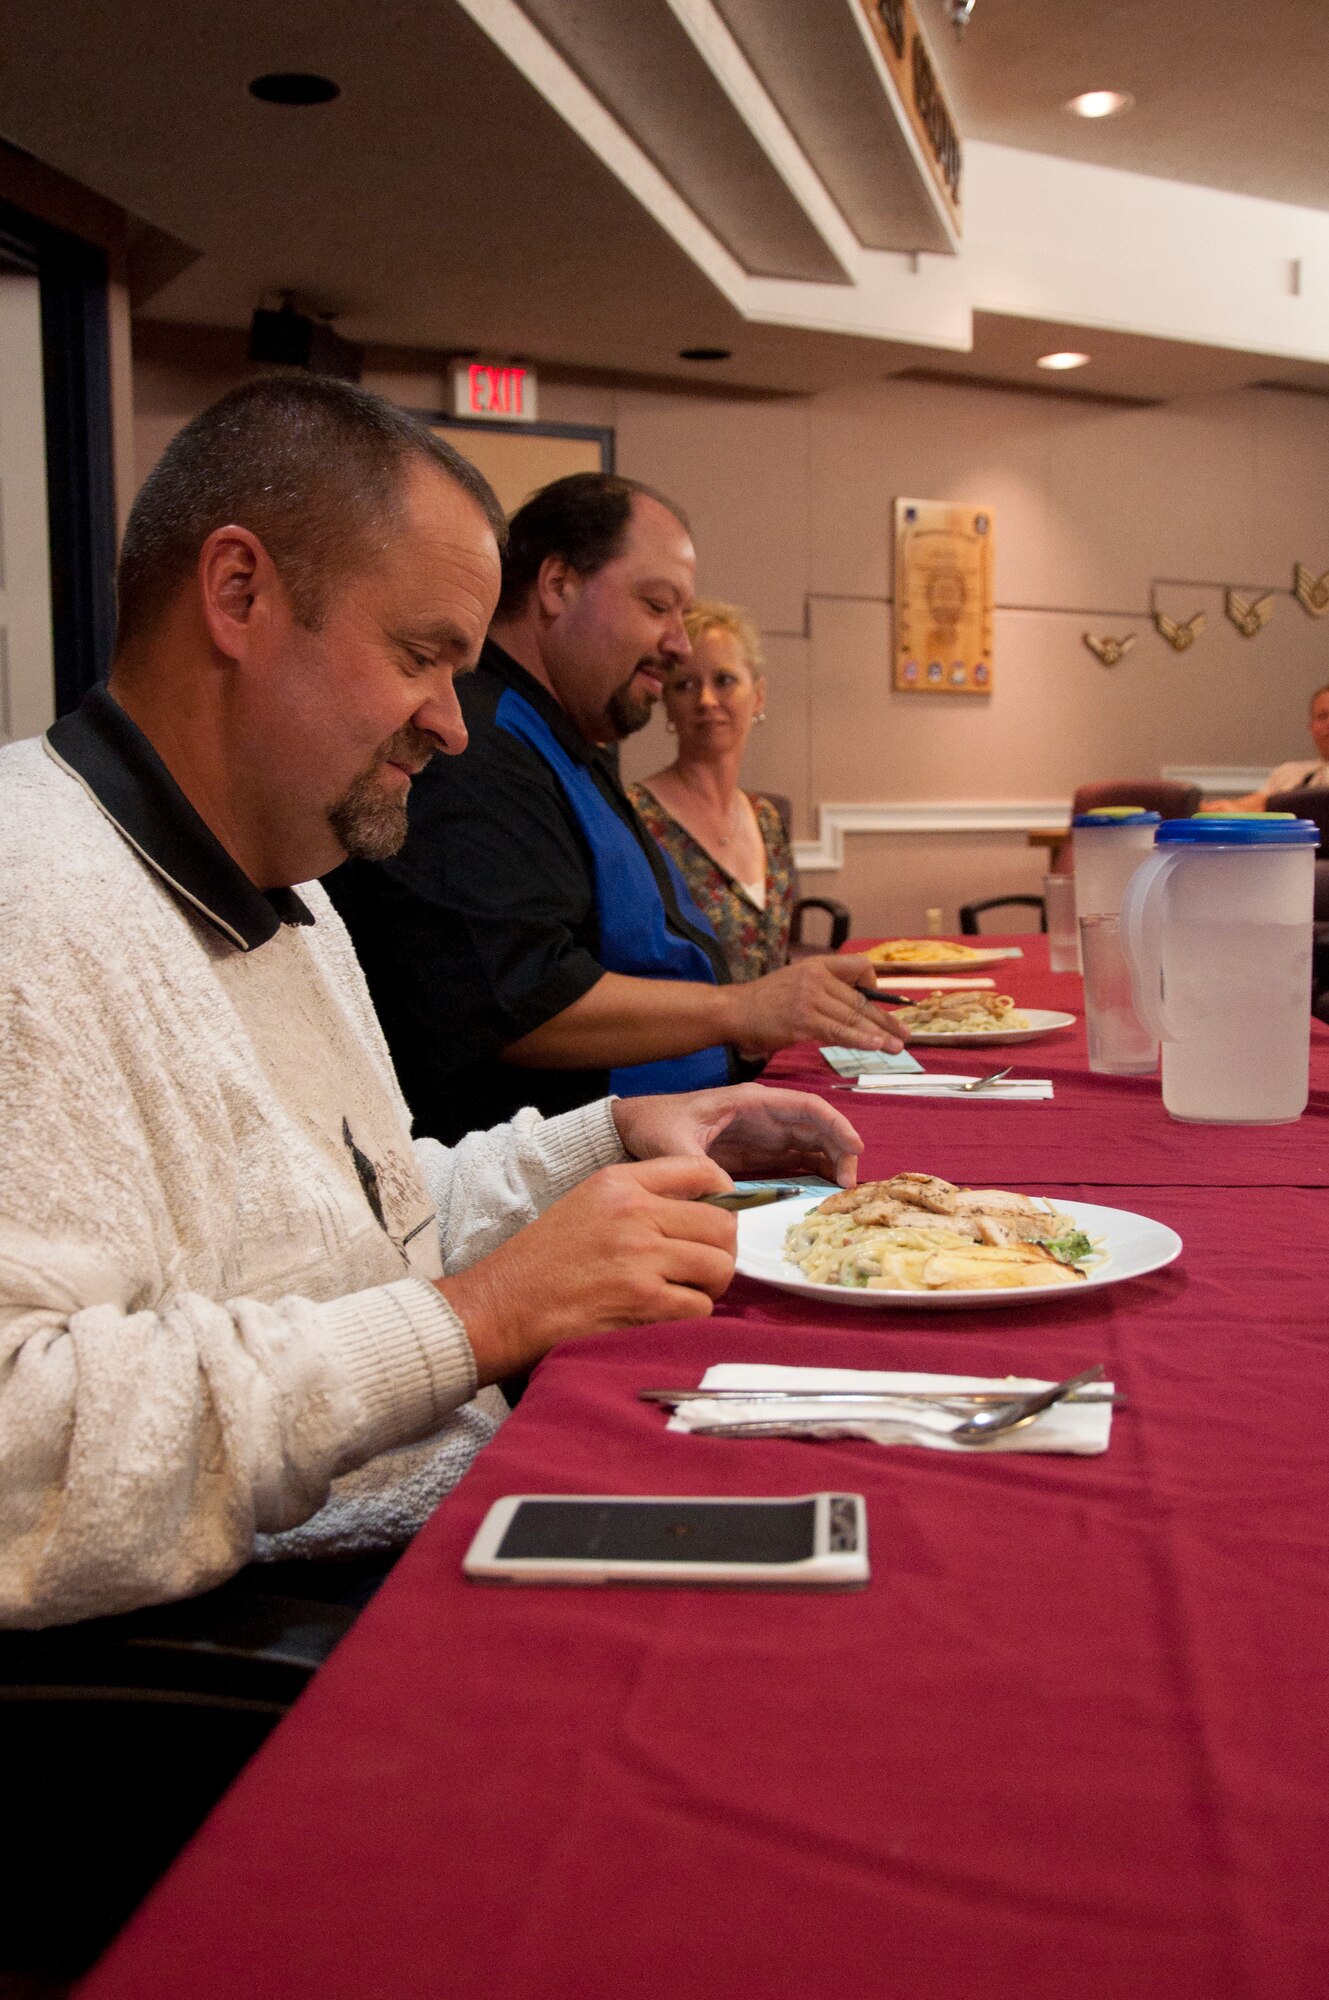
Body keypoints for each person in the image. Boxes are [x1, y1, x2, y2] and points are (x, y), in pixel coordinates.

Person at [0, 379, 865, 1630]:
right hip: (271, 1633)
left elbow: (361, 1228)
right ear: (237, 594)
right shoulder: (33, 903)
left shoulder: (288, 888)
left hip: (438, 1512)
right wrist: (483, 1317)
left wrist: (602, 1146)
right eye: (422, 657)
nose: (455, 728)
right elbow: (25, 1458)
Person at [328, 473, 901, 1145]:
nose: (680, 643)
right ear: (557, 585)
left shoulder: (564, 738)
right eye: (658, 605)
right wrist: (743, 1008)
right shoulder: (476, 746)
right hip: (553, 1181)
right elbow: (518, 1000)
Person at [629, 600, 793, 981]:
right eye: (685, 685)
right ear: (666, 704)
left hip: (779, 1041)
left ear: (759, 696)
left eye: (724, 680)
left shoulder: (766, 819)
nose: (706, 700)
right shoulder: (635, 817)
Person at [1205, 682, 1329, 810]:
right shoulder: (1287, 773)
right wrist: (1214, 809)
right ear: (1311, 726)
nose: (1328, 723)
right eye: (1322, 716)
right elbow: (1251, 806)